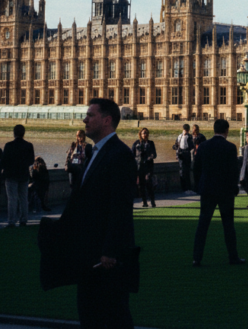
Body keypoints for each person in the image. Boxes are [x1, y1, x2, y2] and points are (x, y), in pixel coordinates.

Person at [62, 98, 138, 327]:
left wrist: (110, 251)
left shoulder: (120, 154)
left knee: (112, 315)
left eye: (90, 115)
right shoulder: (94, 151)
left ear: (106, 120)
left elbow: (120, 207)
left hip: (106, 257)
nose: (84, 119)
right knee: (90, 313)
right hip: (89, 250)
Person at [193, 118, 245, 266]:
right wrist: (234, 187)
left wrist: (199, 185)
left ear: (214, 130)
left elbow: (196, 168)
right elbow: (233, 171)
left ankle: (196, 258)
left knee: (202, 225)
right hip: (225, 192)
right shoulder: (230, 147)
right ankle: (233, 258)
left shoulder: (203, 146)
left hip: (207, 190)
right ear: (226, 131)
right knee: (228, 225)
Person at [1, 124, 35, 228]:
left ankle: (12, 221)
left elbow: (4, 161)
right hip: (23, 175)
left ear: (14, 133)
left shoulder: (9, 145)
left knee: (12, 199)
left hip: (11, 175)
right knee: (23, 199)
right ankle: (23, 220)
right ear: (23, 133)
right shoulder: (29, 146)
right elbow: (31, 161)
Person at [133, 128, 157, 208]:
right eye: (143, 133)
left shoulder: (151, 143)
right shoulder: (137, 143)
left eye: (146, 133)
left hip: (148, 166)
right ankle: (144, 202)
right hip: (140, 166)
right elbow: (131, 154)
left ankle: (152, 202)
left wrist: (150, 157)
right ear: (140, 134)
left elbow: (154, 154)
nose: (145, 134)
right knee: (141, 185)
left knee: (148, 182)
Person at [176, 124, 195, 193]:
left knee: (185, 172)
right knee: (184, 172)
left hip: (184, 155)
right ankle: (185, 188)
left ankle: (187, 188)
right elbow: (191, 146)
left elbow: (176, 146)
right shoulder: (184, 136)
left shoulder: (182, 136)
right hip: (184, 155)